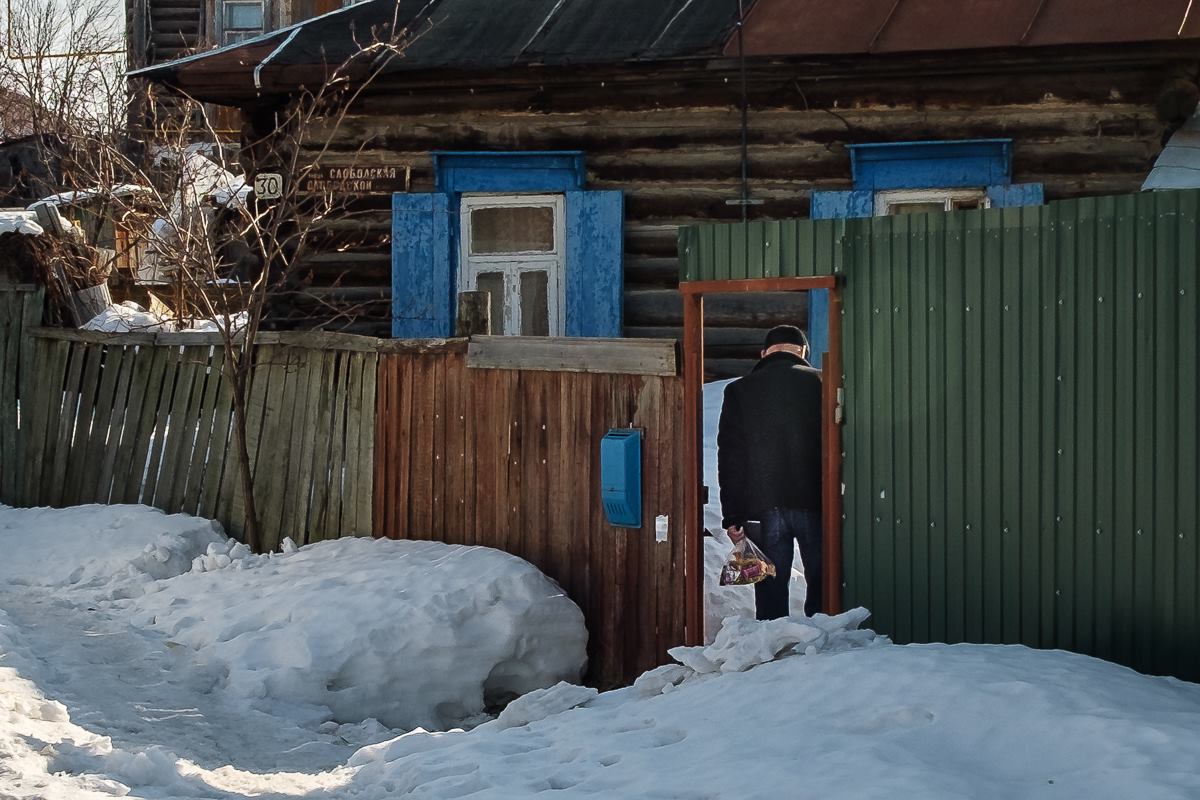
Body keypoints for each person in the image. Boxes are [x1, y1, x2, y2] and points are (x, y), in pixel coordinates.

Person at [717, 324, 823, 620]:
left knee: (769, 590)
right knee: (824, 585)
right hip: (816, 503)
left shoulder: (739, 390)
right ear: (803, 352)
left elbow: (731, 457)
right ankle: (825, 651)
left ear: (764, 354)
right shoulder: (821, 383)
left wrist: (733, 515)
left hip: (761, 509)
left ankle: (773, 652)